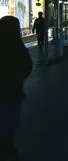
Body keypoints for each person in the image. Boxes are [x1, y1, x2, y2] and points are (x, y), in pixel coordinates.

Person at [0, 16, 33, 161]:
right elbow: (27, 68)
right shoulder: (18, 47)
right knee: (9, 125)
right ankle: (8, 151)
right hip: (13, 94)